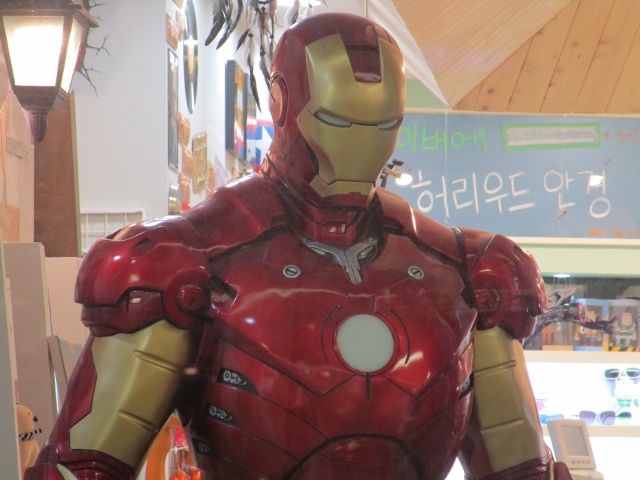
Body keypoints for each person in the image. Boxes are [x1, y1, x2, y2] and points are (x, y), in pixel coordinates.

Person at [26, 12, 571, 480]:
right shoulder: (183, 261)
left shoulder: (468, 270)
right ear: (282, 104)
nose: (361, 146)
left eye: (383, 125)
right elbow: (87, 465)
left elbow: (520, 466)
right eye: (338, 121)